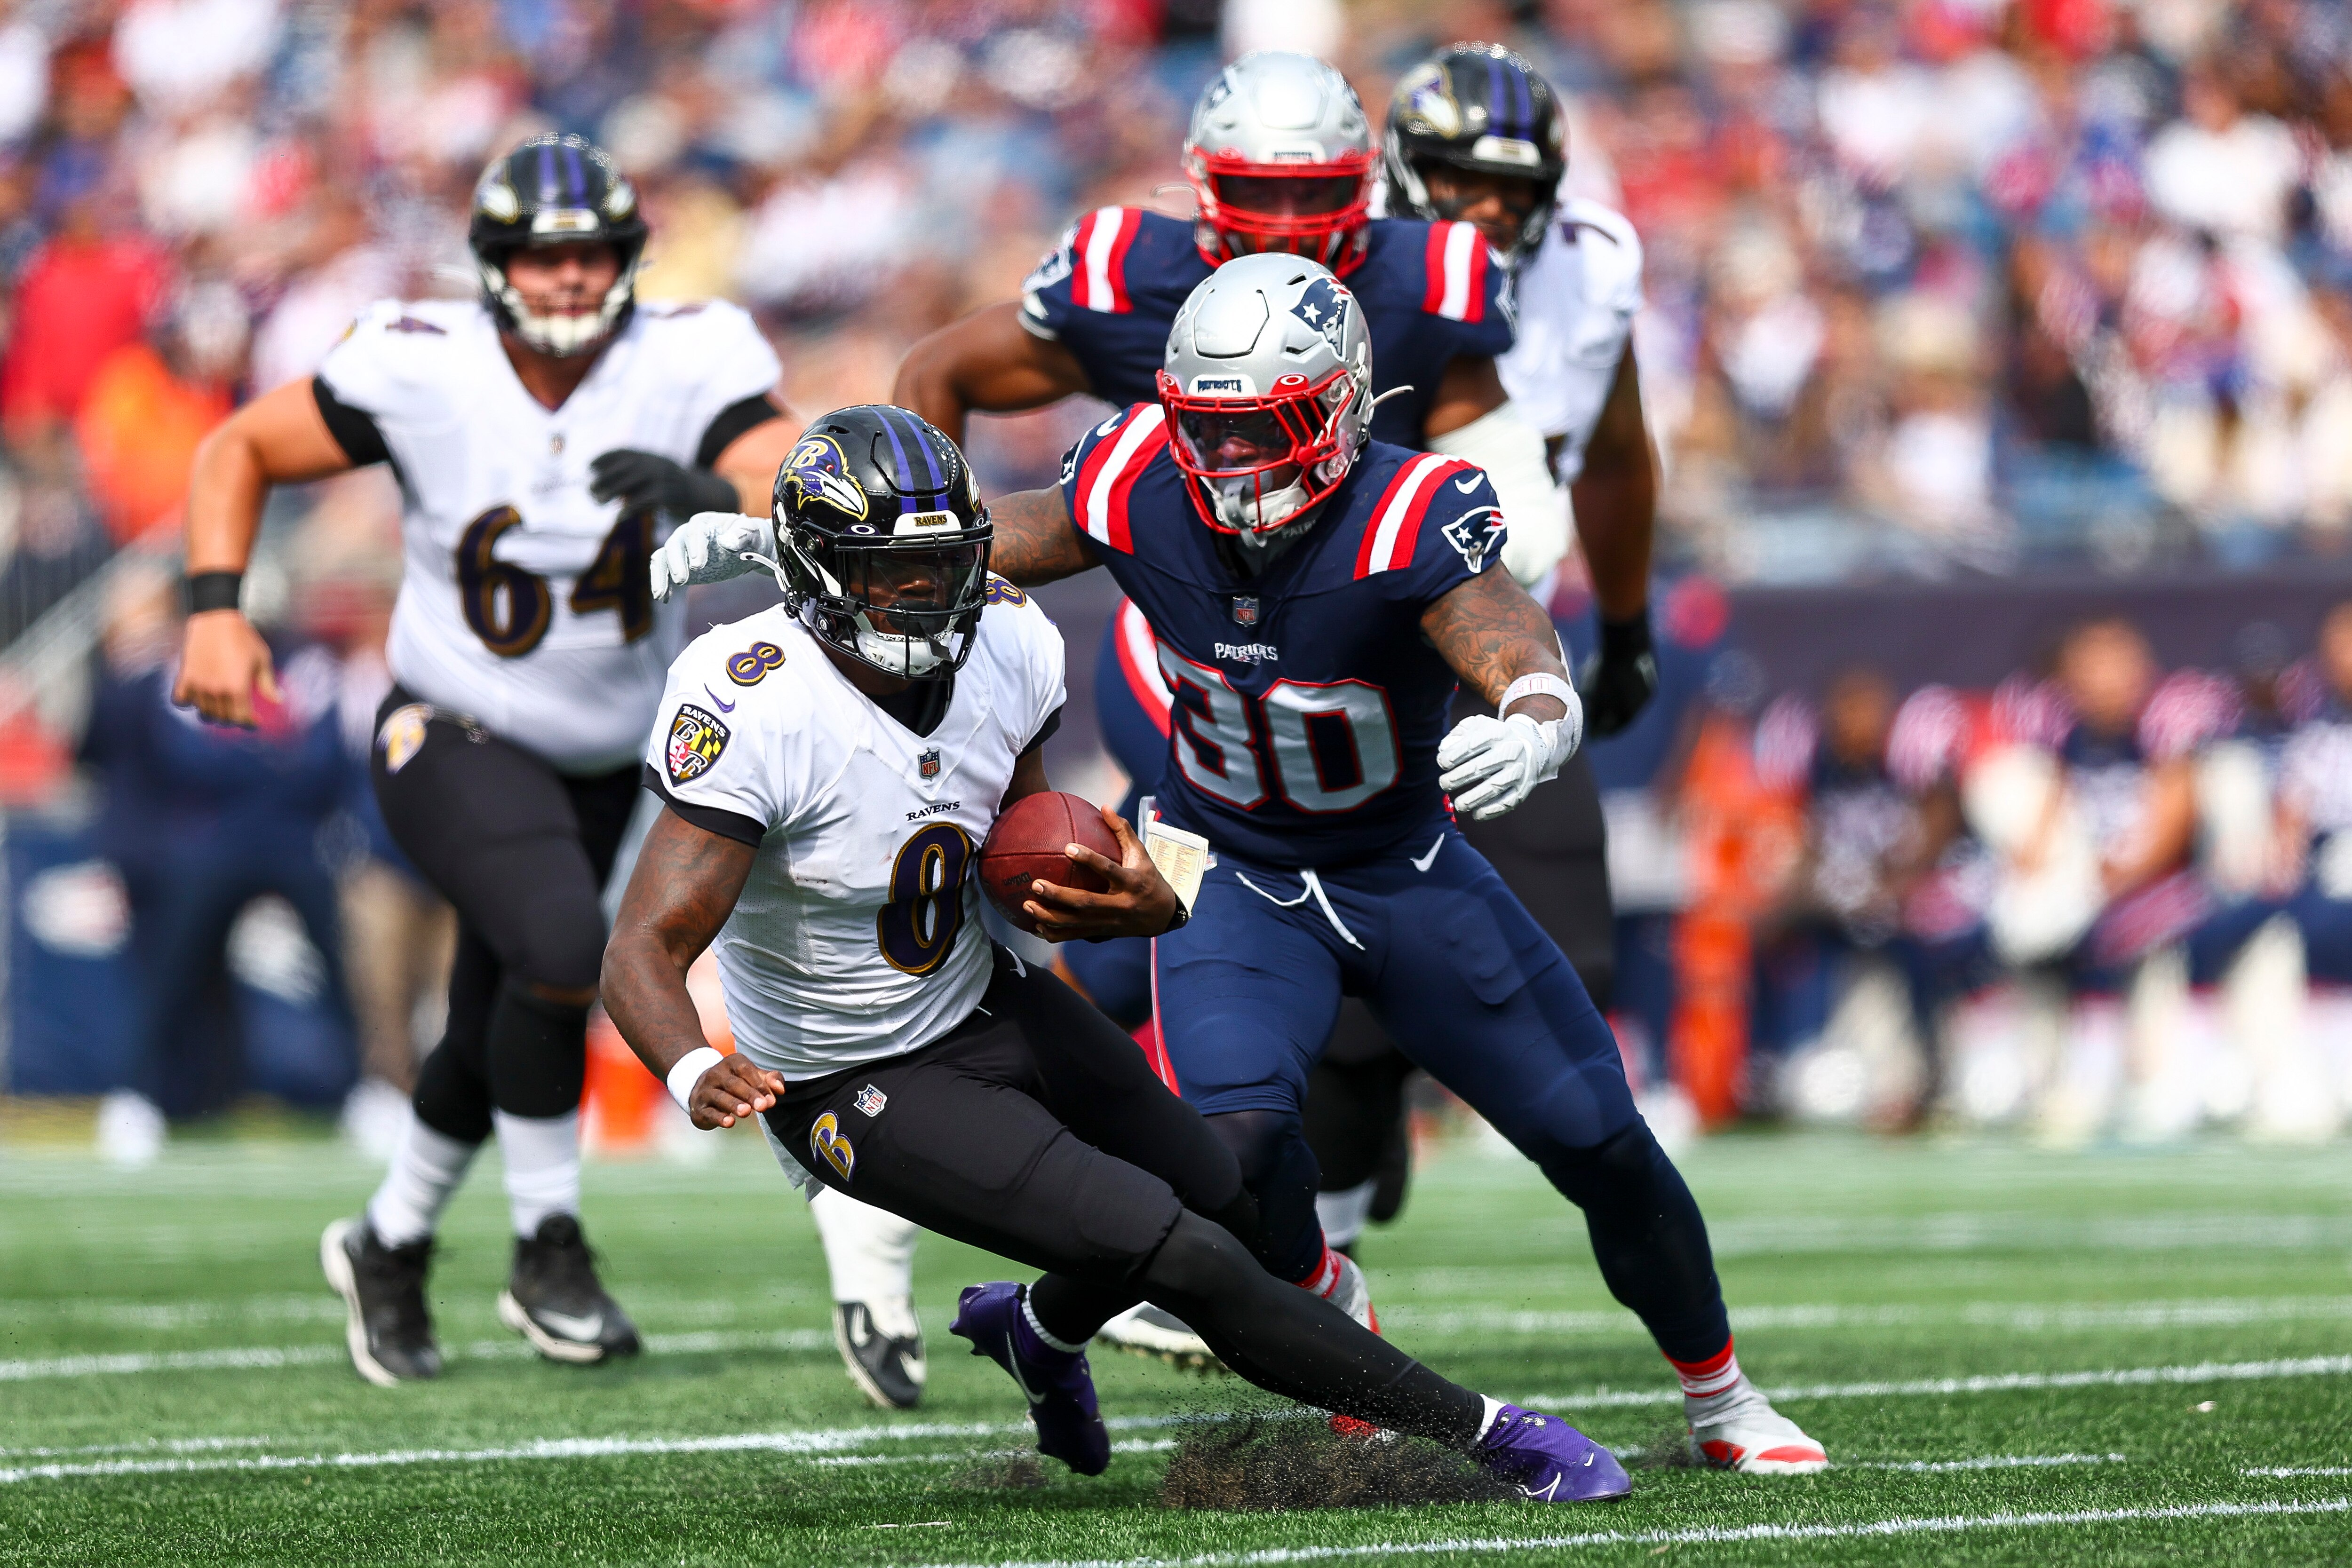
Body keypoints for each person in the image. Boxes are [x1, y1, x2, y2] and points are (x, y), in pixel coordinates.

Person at [664, 256, 1824, 1472]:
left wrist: (1536, 702)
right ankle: (1325, 1286)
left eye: (1253, 430)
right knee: (1228, 1162)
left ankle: (1723, 1396)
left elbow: (1499, 620)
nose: (1220, 461)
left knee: (1595, 1131)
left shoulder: (1412, 506)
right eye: (1201, 428)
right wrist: (781, 539)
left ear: (1334, 411)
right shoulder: (1139, 474)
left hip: (1401, 863)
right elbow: (991, 537)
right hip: (1231, 873)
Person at [612, 404, 1630, 1503]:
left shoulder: (1004, 638)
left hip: (983, 997)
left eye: (942, 563)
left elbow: (1026, 851)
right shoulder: (754, 697)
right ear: (820, 576)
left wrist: (1134, 896)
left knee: (1225, 1186)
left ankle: (1040, 1330)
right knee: (1180, 1253)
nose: (925, 595)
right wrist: (685, 1063)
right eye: (888, 573)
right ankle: (1490, 1433)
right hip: (849, 1075)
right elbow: (643, 945)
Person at [889, 45, 1648, 1378]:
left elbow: (1520, 469)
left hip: (1389, 633)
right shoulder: (1130, 271)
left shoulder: (1443, 275)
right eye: (1257, 192)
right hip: (1195, 649)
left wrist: (1529, 591)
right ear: (1203, 182)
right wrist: (922, 554)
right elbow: (941, 372)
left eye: (1321, 196)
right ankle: (1182, 1207)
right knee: (1153, 910)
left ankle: (1256, 1201)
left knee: (1414, 970)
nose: (1291, 224)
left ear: (1371, 187)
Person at [171, 133, 802, 1386]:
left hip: (605, 750)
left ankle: (389, 1238)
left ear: (626, 259)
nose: (569, 278)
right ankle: (546, 1239)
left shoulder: (692, 351)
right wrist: (215, 603)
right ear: (498, 262)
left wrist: (711, 488)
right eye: (542, 254)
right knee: (566, 948)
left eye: (590, 254)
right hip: (448, 721)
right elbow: (236, 446)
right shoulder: (424, 363)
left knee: (505, 1001)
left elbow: (783, 458)